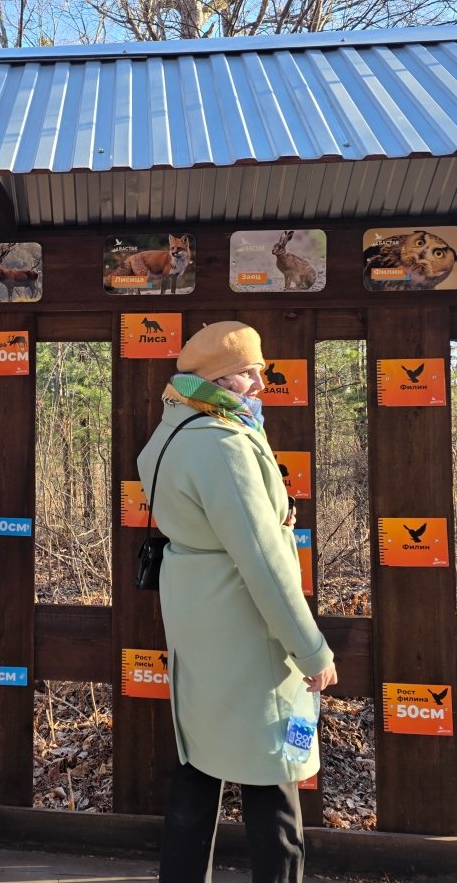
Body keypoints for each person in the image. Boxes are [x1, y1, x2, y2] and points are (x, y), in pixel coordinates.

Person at [136, 321, 337, 883]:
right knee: (272, 770)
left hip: (196, 617)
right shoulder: (224, 443)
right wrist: (311, 650)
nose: (261, 384)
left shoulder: (172, 430)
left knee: (199, 762)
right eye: (250, 372)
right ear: (220, 378)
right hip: (244, 625)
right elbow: (264, 563)